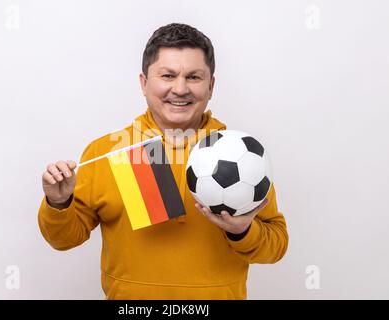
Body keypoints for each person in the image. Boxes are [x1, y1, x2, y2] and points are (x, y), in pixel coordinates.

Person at [38, 23, 288, 299]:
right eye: (168, 75)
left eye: (194, 77)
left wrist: (243, 231)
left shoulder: (240, 155)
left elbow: (275, 247)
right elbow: (62, 240)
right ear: (144, 83)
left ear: (211, 85)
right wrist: (58, 203)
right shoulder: (108, 151)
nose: (180, 89)